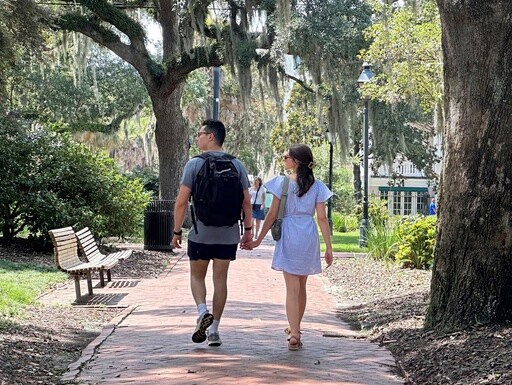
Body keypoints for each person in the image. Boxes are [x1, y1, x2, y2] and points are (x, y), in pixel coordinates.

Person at [172, 119, 253, 347]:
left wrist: (176, 231)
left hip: (201, 232)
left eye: (199, 134)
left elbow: (181, 202)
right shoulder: (238, 165)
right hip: (228, 234)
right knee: (221, 280)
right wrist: (248, 231)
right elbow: (247, 202)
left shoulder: (194, 164)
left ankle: (201, 312)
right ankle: (214, 330)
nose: (197, 138)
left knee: (197, 275)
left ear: (211, 137)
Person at [246, 144, 333, 351]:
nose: (284, 159)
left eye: (287, 157)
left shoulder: (282, 183)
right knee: (301, 286)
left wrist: (258, 240)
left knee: (291, 288)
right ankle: (296, 328)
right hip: (308, 234)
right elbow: (321, 218)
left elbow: (272, 214)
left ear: (296, 162)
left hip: (290, 233)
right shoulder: (318, 186)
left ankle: (294, 333)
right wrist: (328, 247)